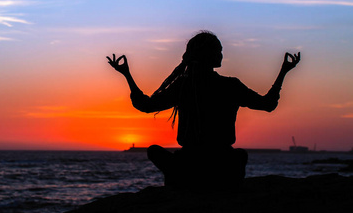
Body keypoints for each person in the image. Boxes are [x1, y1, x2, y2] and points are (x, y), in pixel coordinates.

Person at [107, 31, 300, 191]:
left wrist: (127, 75)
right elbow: (268, 104)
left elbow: (145, 105)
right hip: (222, 163)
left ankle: (181, 181)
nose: (222, 55)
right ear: (209, 55)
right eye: (219, 50)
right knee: (240, 155)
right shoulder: (230, 85)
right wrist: (283, 72)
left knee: (154, 152)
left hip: (189, 163)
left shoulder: (184, 85)